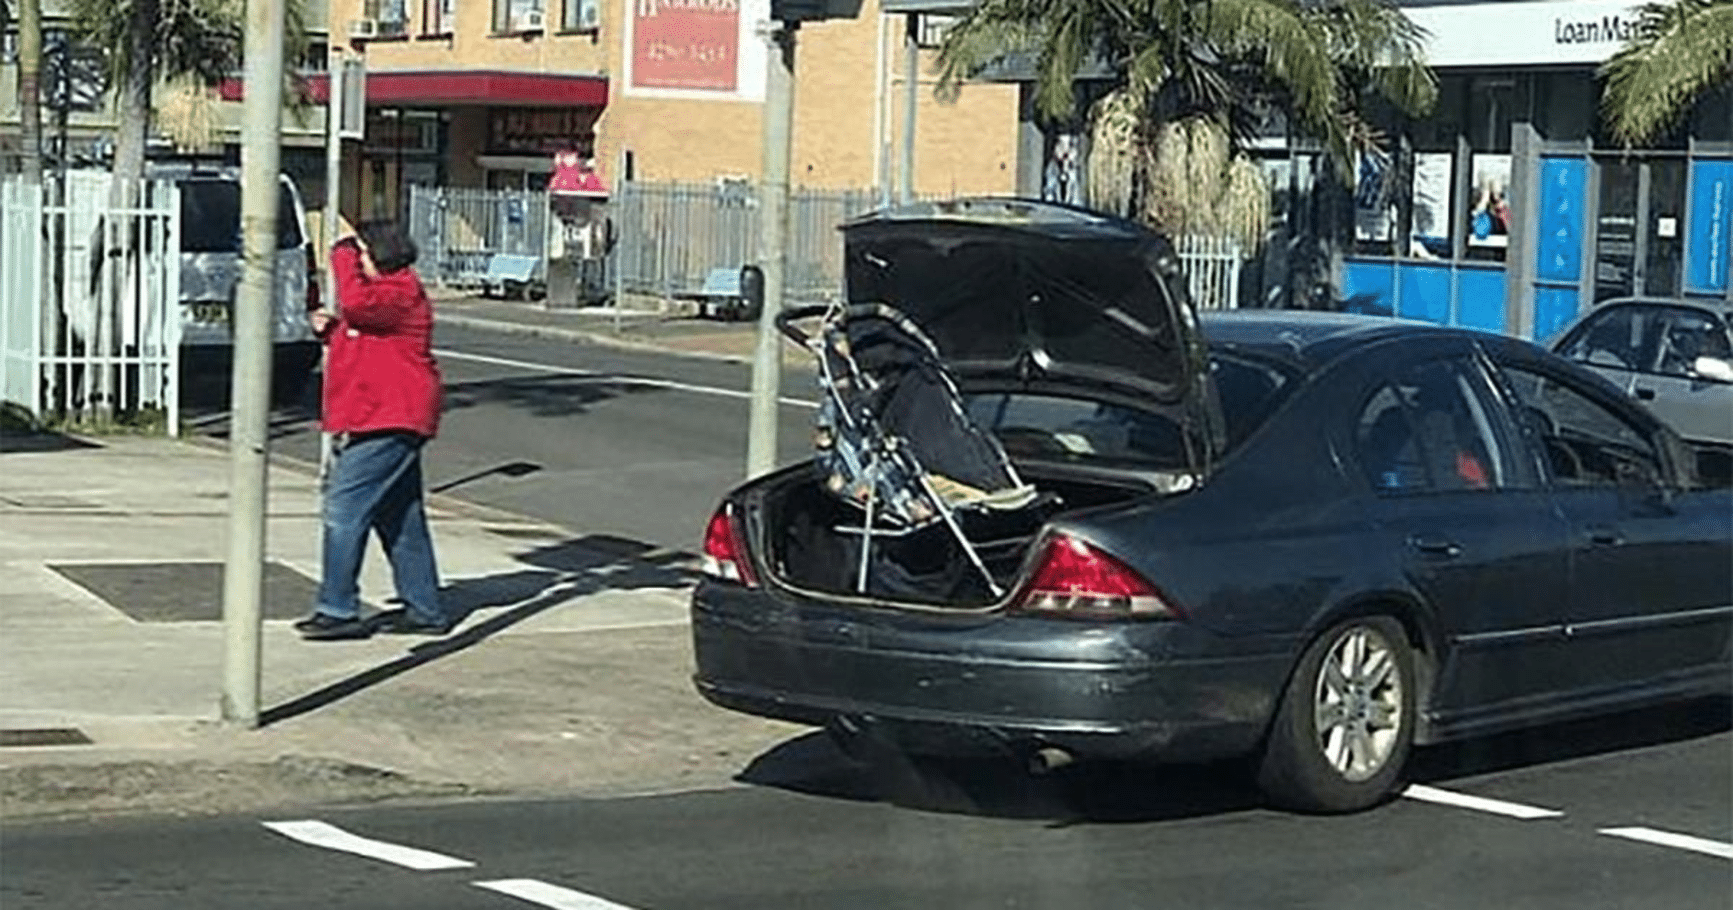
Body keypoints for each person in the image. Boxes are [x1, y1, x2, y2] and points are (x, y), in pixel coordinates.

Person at [294, 217, 451, 641]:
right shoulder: (385, 296)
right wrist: (332, 333)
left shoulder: (400, 291)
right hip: (378, 414)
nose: (357, 260)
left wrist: (341, 254)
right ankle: (424, 607)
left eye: (363, 253)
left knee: (343, 508)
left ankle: (338, 607)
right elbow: (366, 334)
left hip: (392, 417)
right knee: (399, 515)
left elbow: (361, 307)